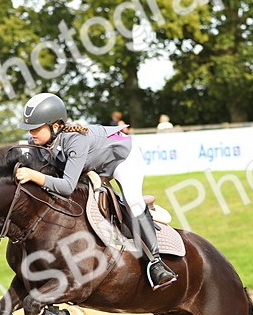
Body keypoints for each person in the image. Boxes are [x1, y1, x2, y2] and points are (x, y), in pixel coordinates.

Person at [14, 92, 178, 290]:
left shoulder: (75, 140)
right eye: (29, 129)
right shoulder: (39, 143)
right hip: (94, 164)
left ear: (55, 126)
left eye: (36, 128)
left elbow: (67, 187)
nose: (31, 133)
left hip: (122, 159)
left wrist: (33, 175)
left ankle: (156, 263)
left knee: (133, 201)